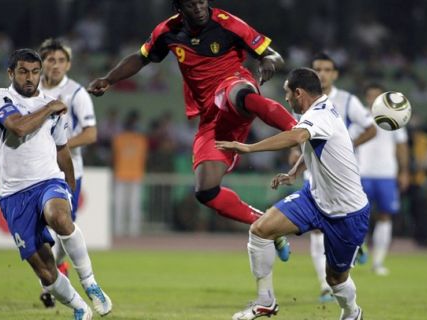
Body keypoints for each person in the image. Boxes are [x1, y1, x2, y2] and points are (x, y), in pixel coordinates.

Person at [87, 0, 296, 259]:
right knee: (206, 190)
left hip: (235, 84)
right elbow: (141, 58)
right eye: (191, 4)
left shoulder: (228, 23)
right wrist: (109, 80)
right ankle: (270, 225)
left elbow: (273, 54)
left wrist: (268, 61)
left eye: (202, 2)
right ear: (178, 8)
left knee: (236, 94)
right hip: (211, 119)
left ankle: (299, 131)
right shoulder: (167, 32)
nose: (198, 8)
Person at [216, 67, 369, 320]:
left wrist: (249, 148)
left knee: (336, 279)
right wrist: (296, 171)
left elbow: (297, 136)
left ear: (299, 92)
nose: (286, 100)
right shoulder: (319, 111)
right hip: (314, 198)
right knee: (260, 230)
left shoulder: (320, 116)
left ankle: (352, 313)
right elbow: (314, 145)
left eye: (287, 94)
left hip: (347, 212)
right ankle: (265, 302)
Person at [0, 49, 111, 320]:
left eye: (34, 72)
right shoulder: (0, 97)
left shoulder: (52, 106)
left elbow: (63, 151)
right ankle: (80, 307)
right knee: (44, 270)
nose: (29, 77)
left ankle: (91, 284)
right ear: (11, 73)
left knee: (58, 215)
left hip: (47, 180)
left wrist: (69, 188)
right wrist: (48, 108)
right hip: (13, 194)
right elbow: (18, 127)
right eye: (23, 71)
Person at [307, 52, 376, 302]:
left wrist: (349, 144)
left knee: (340, 227)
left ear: (335, 74)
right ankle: (325, 287)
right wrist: (295, 155)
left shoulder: (347, 101)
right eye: (317, 69)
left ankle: (354, 244)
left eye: (327, 69)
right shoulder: (302, 98)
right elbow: (297, 134)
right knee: (316, 229)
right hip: (313, 174)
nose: (322, 74)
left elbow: (371, 128)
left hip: (342, 178)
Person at [38, 38, 98, 307]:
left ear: (69, 64)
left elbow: (91, 134)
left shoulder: (76, 94)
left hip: (66, 169)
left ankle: (52, 276)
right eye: (51, 59)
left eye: (61, 60)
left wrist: (58, 144)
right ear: (42, 63)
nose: (56, 65)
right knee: (39, 231)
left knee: (63, 225)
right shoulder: (31, 90)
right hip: (35, 169)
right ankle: (52, 275)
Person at [357, 83, 409, 275]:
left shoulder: (395, 117)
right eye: (371, 96)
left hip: (387, 175)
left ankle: (378, 262)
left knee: (385, 216)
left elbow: (402, 146)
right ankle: (356, 256)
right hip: (361, 173)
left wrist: (404, 171)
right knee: (358, 216)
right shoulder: (359, 117)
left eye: (377, 96)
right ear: (366, 98)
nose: (374, 100)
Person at [112, 110, 148, 236]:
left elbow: (114, 157)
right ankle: (122, 230)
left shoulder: (139, 140)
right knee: (123, 205)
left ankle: (131, 231)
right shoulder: (120, 139)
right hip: (123, 175)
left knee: (132, 206)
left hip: (132, 175)